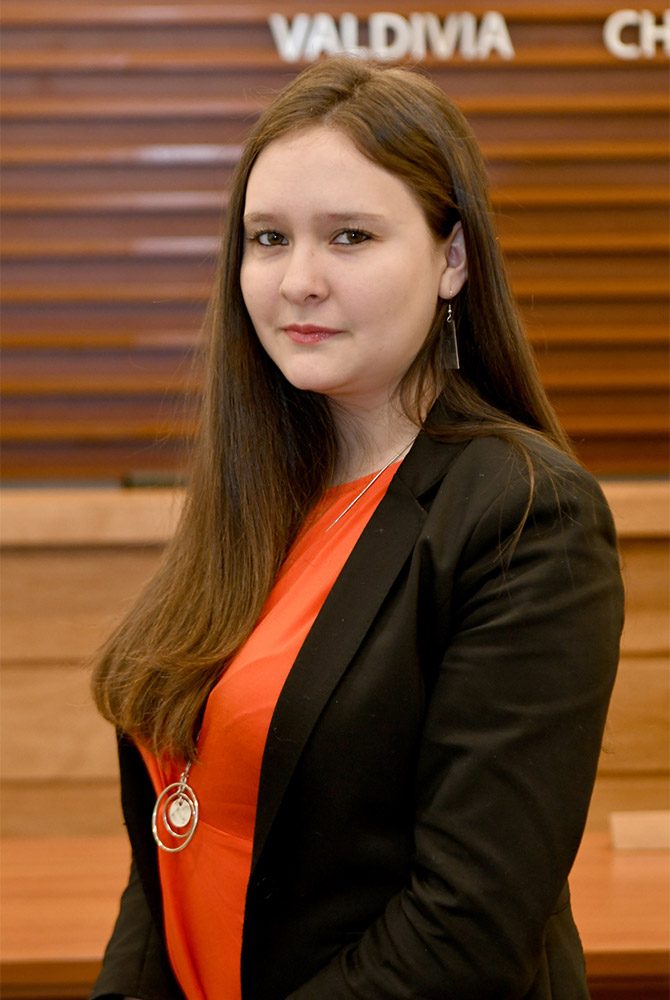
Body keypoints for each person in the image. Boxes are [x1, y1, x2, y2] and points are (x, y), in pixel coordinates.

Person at [90, 56, 623, 1000]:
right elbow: (168, 847)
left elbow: (466, 931)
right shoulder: (252, 496)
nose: (299, 280)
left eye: (350, 236)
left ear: (452, 258)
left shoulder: (528, 515)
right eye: (269, 238)